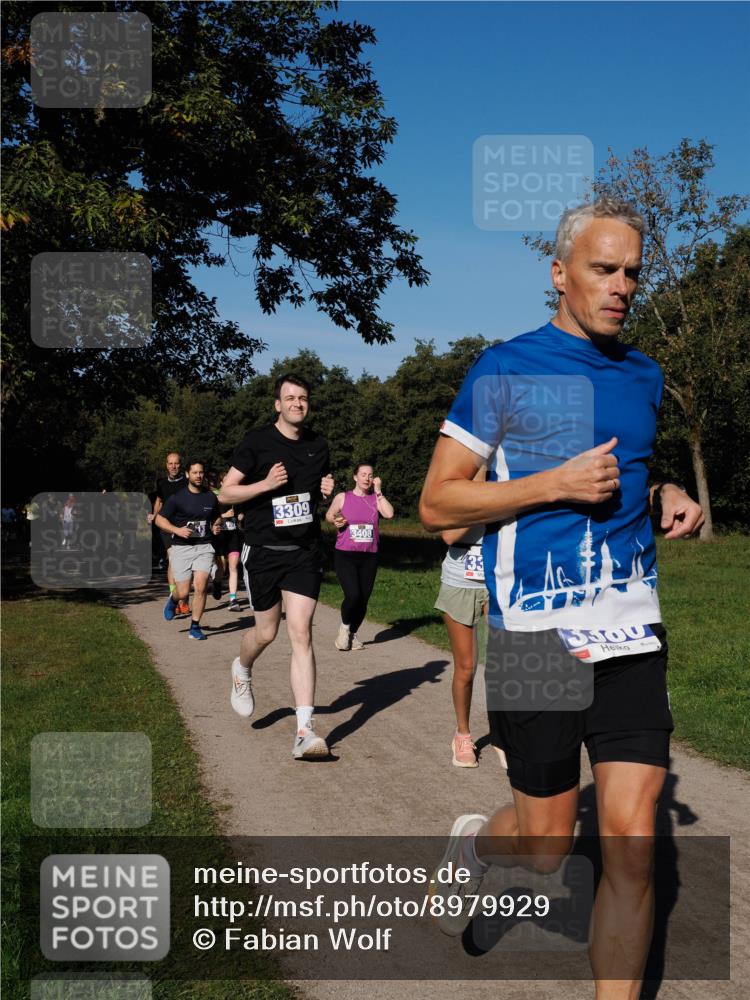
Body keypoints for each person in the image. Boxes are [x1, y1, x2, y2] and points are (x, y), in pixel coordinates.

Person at [419, 198, 704, 996]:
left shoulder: (643, 374)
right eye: (602, 269)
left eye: (632, 273)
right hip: (535, 639)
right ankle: (478, 846)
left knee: (633, 847)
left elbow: (629, 477)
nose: (620, 287)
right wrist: (552, 484)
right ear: (560, 274)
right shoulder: (505, 367)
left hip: (629, 634)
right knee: (546, 849)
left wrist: (668, 493)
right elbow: (438, 505)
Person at [220, 373, 335, 759]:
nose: (297, 403)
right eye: (290, 398)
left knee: (301, 632)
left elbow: (315, 490)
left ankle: (305, 730)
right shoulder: (257, 442)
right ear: (277, 404)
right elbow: (225, 492)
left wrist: (325, 491)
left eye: (302, 398)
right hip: (263, 551)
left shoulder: (319, 445)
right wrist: (264, 485)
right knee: (266, 634)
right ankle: (242, 667)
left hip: (303, 551)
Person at [434, 465, 489, 766]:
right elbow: (449, 535)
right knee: (466, 667)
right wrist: (479, 493)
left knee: (504, 665)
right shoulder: (454, 487)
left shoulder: (509, 480)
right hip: (460, 581)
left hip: (498, 579)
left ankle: (508, 736)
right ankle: (463, 735)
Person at [326, 463, 394, 651]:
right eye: (363, 474)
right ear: (355, 477)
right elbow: (329, 515)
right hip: (345, 554)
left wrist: (379, 491)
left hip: (369, 555)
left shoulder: (375, 499)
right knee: (353, 594)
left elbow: (388, 514)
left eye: (370, 475)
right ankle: (345, 628)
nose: (366, 478)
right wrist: (335, 519)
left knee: (363, 598)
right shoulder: (343, 497)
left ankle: (352, 634)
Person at [155, 460, 221, 640]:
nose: (199, 476)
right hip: (181, 548)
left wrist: (216, 526)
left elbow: (216, 518)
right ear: (187, 475)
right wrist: (177, 530)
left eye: (201, 473)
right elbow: (159, 520)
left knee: (201, 587)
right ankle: (174, 600)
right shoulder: (177, 498)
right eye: (195, 473)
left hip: (204, 546)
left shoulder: (210, 497)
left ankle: (195, 626)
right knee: (183, 592)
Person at [149, 452, 188, 615]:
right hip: (167, 526)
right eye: (170, 463)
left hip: (185, 527)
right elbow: (159, 501)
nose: (173, 466)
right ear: (166, 465)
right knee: (173, 559)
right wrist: (154, 516)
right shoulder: (162, 484)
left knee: (185, 563)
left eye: (176, 463)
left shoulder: (187, 483)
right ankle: (174, 594)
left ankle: (183, 598)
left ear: (180, 465)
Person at [216, 471, 244, 611]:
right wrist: (223, 516)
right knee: (222, 568)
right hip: (220, 536)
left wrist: (240, 516)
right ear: (221, 483)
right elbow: (210, 518)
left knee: (233, 566)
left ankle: (233, 599)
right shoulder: (215, 498)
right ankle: (217, 583)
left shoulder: (236, 498)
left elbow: (241, 513)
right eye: (227, 481)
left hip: (233, 535)